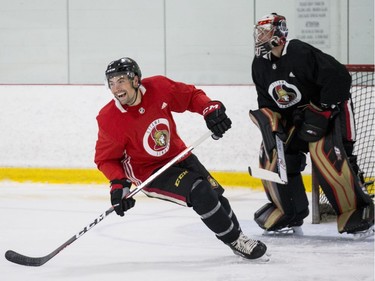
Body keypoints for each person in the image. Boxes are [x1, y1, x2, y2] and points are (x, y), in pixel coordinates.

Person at [94, 57, 267, 259]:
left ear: (135, 80)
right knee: (200, 191)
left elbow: (191, 96)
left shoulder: (158, 87)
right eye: (112, 83)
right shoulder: (109, 118)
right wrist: (118, 184)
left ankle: (238, 238)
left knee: (215, 196)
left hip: (178, 155)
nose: (116, 88)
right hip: (150, 172)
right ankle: (236, 241)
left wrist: (209, 109)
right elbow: (105, 159)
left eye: (121, 80)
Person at [249, 13, 374, 235]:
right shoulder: (259, 65)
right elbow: (267, 102)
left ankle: (356, 209)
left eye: (266, 31)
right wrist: (274, 127)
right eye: (259, 32)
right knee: (273, 156)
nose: (261, 36)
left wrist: (320, 110)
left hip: (330, 111)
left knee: (328, 154)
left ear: (279, 32)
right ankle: (289, 211)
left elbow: (339, 78)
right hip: (297, 119)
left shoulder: (298, 52)